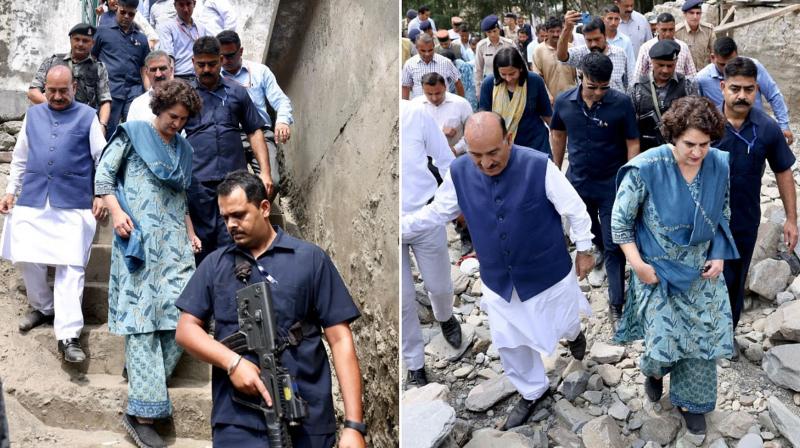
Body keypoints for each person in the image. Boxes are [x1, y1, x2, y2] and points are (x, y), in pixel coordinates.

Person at [402, 111, 593, 430]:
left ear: (509, 139)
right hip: (498, 280)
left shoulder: (538, 165)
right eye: (477, 155)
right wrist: (401, 227)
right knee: (510, 340)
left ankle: (574, 334)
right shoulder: (460, 172)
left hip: (547, 272)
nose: (486, 163)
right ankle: (533, 390)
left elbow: (573, 208)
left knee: (562, 318)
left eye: (493, 153)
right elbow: (438, 212)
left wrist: (584, 249)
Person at [175, 170, 366, 447]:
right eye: (226, 217)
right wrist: (232, 363)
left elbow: (340, 339)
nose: (231, 225)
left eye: (239, 215)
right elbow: (185, 330)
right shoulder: (215, 265)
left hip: (305, 416)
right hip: (236, 421)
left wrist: (354, 425)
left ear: (264, 208)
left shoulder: (309, 259)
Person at [611, 96, 739, 435]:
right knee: (663, 344)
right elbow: (620, 224)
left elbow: (722, 214)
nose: (697, 153)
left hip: (701, 270)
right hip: (657, 270)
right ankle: (653, 371)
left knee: (702, 341)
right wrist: (637, 265)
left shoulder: (718, 165)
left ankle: (691, 403)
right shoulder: (647, 168)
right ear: (672, 137)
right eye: (689, 145)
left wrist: (719, 253)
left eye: (704, 145)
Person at [94, 79, 202, 448]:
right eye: (173, 116)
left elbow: (181, 197)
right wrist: (117, 211)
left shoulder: (184, 150)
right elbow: (104, 176)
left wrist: (190, 232)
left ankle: (145, 376)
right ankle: (141, 415)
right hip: (137, 239)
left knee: (186, 318)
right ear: (160, 108)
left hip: (174, 247)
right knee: (142, 323)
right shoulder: (133, 133)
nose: (177, 124)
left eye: (184, 119)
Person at [0, 66, 107, 363]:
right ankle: (44, 308)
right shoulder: (33, 115)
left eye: (63, 90)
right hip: (34, 199)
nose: (57, 97)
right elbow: (20, 157)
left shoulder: (88, 116)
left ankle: (68, 336)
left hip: (73, 204)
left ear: (74, 87)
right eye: (52, 91)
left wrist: (100, 194)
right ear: (44, 89)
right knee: (25, 254)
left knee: (70, 266)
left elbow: (104, 158)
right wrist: (11, 191)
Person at [712, 57, 797, 360]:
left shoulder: (766, 128)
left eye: (749, 89)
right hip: (704, 223)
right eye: (735, 88)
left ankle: (726, 334)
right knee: (701, 278)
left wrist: (791, 219)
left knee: (735, 280)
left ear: (756, 89)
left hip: (744, 221)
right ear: (722, 87)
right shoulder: (705, 124)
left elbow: (783, 171)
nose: (741, 96)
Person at [551, 52, 640, 320]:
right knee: (589, 231)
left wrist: (630, 178)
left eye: (604, 87)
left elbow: (632, 142)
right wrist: (555, 172)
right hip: (577, 182)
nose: (599, 92)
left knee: (615, 244)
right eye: (593, 86)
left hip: (611, 182)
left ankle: (616, 303)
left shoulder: (621, 104)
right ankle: (598, 248)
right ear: (581, 77)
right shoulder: (564, 102)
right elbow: (557, 134)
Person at [184, 36, 272, 264]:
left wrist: (265, 172)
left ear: (221, 60)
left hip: (234, 180)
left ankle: (237, 286)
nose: (206, 69)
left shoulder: (237, 92)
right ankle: (208, 292)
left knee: (235, 236)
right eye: (200, 64)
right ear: (193, 62)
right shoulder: (185, 95)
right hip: (198, 180)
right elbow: (169, 131)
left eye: (212, 64)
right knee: (203, 244)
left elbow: (254, 131)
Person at [400, 100, 462, 387]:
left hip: (424, 215)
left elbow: (447, 163)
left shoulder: (415, 113)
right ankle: (415, 364)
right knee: (403, 302)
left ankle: (446, 317)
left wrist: (448, 205)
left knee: (439, 285)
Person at [695, 37, 793, 145]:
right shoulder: (702, 79)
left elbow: (773, 95)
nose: (728, 68)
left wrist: (784, 125)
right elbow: (700, 111)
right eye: (722, 64)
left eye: (732, 62)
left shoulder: (754, 67)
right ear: (713, 58)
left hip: (756, 132)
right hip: (723, 137)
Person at [28, 23, 112, 134]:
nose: (80, 44)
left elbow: (105, 100)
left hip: (81, 125)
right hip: (51, 121)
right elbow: (33, 92)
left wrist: (102, 125)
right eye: (77, 39)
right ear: (70, 40)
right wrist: (56, 106)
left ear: (92, 43)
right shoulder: (52, 62)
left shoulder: (99, 68)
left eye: (85, 41)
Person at [91, 0, 150, 137]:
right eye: (123, 12)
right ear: (117, 8)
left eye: (131, 14)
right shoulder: (102, 32)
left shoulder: (141, 38)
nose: (126, 16)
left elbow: (144, 68)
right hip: (109, 92)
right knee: (106, 134)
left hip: (134, 93)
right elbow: (92, 59)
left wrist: (148, 92)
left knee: (135, 133)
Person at [479, 47, 552, 155]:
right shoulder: (489, 84)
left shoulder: (534, 81)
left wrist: (557, 134)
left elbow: (547, 113)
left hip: (535, 143)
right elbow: (484, 118)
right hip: (504, 145)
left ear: (521, 68)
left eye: (512, 74)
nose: (508, 78)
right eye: (503, 74)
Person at [628, 40, 697, 151]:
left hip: (679, 150)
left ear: (676, 62)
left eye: (670, 66)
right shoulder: (637, 87)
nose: (665, 70)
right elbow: (630, 126)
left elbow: (695, 120)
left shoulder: (687, 85)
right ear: (652, 62)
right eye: (660, 65)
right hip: (646, 151)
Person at [557, 14, 630, 92]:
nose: (593, 44)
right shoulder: (581, 53)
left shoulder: (620, 53)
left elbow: (627, 83)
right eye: (589, 40)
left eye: (597, 39)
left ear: (605, 36)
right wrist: (567, 29)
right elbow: (561, 56)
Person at [413, 73, 473, 154]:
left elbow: (472, 133)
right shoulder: (415, 105)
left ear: (445, 87)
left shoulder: (461, 104)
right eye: (429, 94)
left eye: (438, 93)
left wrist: (456, 149)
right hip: (425, 158)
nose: (434, 98)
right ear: (423, 90)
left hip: (456, 158)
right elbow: (411, 133)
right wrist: (440, 130)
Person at [157, 0, 211, 81]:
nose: (185, 9)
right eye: (181, 5)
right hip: (179, 77)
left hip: (200, 77)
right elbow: (168, 56)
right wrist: (171, 80)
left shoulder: (201, 28)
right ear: (175, 6)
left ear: (194, 4)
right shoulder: (167, 27)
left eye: (188, 4)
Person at [634, 13, 696, 80]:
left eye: (671, 29)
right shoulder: (646, 48)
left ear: (675, 28)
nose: (668, 34)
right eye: (664, 30)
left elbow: (692, 76)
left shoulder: (683, 47)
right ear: (657, 28)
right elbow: (638, 77)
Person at [401, 34, 463, 100]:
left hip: (443, 107)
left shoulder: (446, 62)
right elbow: (405, 86)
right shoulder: (409, 64)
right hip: (420, 108)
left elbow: (458, 82)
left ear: (434, 47)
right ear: (416, 48)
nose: (427, 54)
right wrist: (405, 106)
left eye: (430, 50)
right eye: (423, 51)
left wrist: (460, 103)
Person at [531, 16, 577, 104]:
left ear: (562, 30)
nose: (555, 34)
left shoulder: (571, 48)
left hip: (572, 98)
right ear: (546, 31)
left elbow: (578, 75)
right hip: (551, 101)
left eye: (558, 31)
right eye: (552, 31)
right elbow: (538, 77)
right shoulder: (538, 51)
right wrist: (547, 96)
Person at [474, 15, 516, 97]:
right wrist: (478, 90)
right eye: (489, 32)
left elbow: (520, 63)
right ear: (485, 33)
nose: (492, 35)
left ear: (499, 29)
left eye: (494, 31)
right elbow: (478, 69)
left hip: (509, 83)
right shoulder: (481, 46)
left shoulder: (509, 43)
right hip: (491, 84)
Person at [127, 50, 174, 122]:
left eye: (162, 68)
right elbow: (131, 132)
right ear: (146, 73)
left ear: (171, 70)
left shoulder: (182, 99)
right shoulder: (137, 104)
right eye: (153, 70)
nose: (158, 74)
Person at [676, 0, 716, 72]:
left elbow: (714, 53)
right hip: (684, 75)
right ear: (685, 14)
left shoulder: (708, 30)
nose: (695, 17)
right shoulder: (677, 31)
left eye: (698, 13)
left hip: (704, 73)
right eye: (691, 13)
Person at [602, 4, 636, 77]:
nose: (613, 22)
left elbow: (631, 67)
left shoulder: (625, 41)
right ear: (603, 19)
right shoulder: (598, 40)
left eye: (616, 19)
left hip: (620, 85)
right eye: (610, 18)